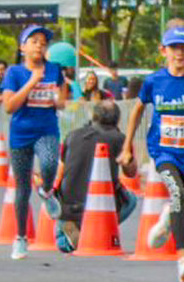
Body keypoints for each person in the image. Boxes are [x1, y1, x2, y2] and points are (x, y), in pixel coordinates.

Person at [121, 23, 184, 282]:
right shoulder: (154, 81)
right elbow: (137, 110)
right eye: (174, 48)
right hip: (163, 152)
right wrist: (127, 146)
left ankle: (166, 220)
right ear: (163, 51)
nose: (180, 53)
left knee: (183, 211)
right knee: (178, 195)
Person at [0, 26, 68, 260]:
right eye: (34, 41)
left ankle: (47, 191)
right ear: (22, 47)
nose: (39, 45)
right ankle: (20, 238)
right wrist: (32, 82)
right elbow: (9, 106)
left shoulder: (54, 69)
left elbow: (62, 96)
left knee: (49, 162)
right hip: (20, 135)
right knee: (22, 189)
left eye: (43, 42)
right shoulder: (14, 72)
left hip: (46, 130)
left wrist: (59, 100)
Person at [54, 100, 136, 250]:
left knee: (63, 241)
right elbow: (131, 173)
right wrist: (128, 155)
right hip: (100, 205)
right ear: (118, 119)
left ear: (93, 115)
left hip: (67, 206)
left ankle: (68, 231)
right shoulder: (119, 139)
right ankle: (96, 231)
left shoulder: (72, 135)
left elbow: (60, 171)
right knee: (131, 200)